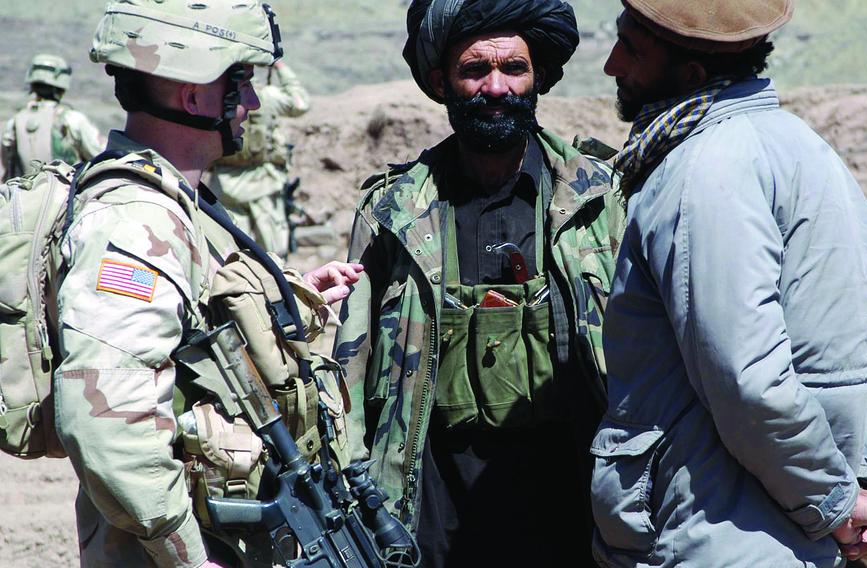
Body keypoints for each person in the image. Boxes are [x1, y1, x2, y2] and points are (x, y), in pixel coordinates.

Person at [52, 1, 361, 566]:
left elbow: (195, 329)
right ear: (194, 95)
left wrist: (284, 296)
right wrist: (188, 556)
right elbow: (104, 423)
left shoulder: (179, 205)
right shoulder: (136, 221)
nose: (252, 102)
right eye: (239, 83)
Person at [594, 1, 867, 566]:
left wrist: (832, 501)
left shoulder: (705, 170)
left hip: (715, 529)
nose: (613, 64)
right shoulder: (802, 148)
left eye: (631, 49)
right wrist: (841, 490)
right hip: (777, 529)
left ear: (690, 76)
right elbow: (852, 365)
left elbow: (747, 378)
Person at [332, 1, 625, 566]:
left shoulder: (598, 201)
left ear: (538, 76)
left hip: (578, 513)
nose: (496, 87)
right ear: (442, 81)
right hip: (431, 514)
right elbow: (349, 372)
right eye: (474, 70)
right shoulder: (394, 213)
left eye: (514, 68)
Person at [206, 59, 311, 258]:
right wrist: (281, 67)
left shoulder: (216, 96)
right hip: (265, 183)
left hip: (225, 184)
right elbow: (301, 102)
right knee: (274, 253)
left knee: (228, 250)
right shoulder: (269, 97)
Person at [1, 53, 105, 181]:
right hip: (67, 197)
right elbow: (101, 157)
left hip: (24, 197)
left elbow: (7, 167)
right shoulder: (72, 120)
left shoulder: (14, 123)